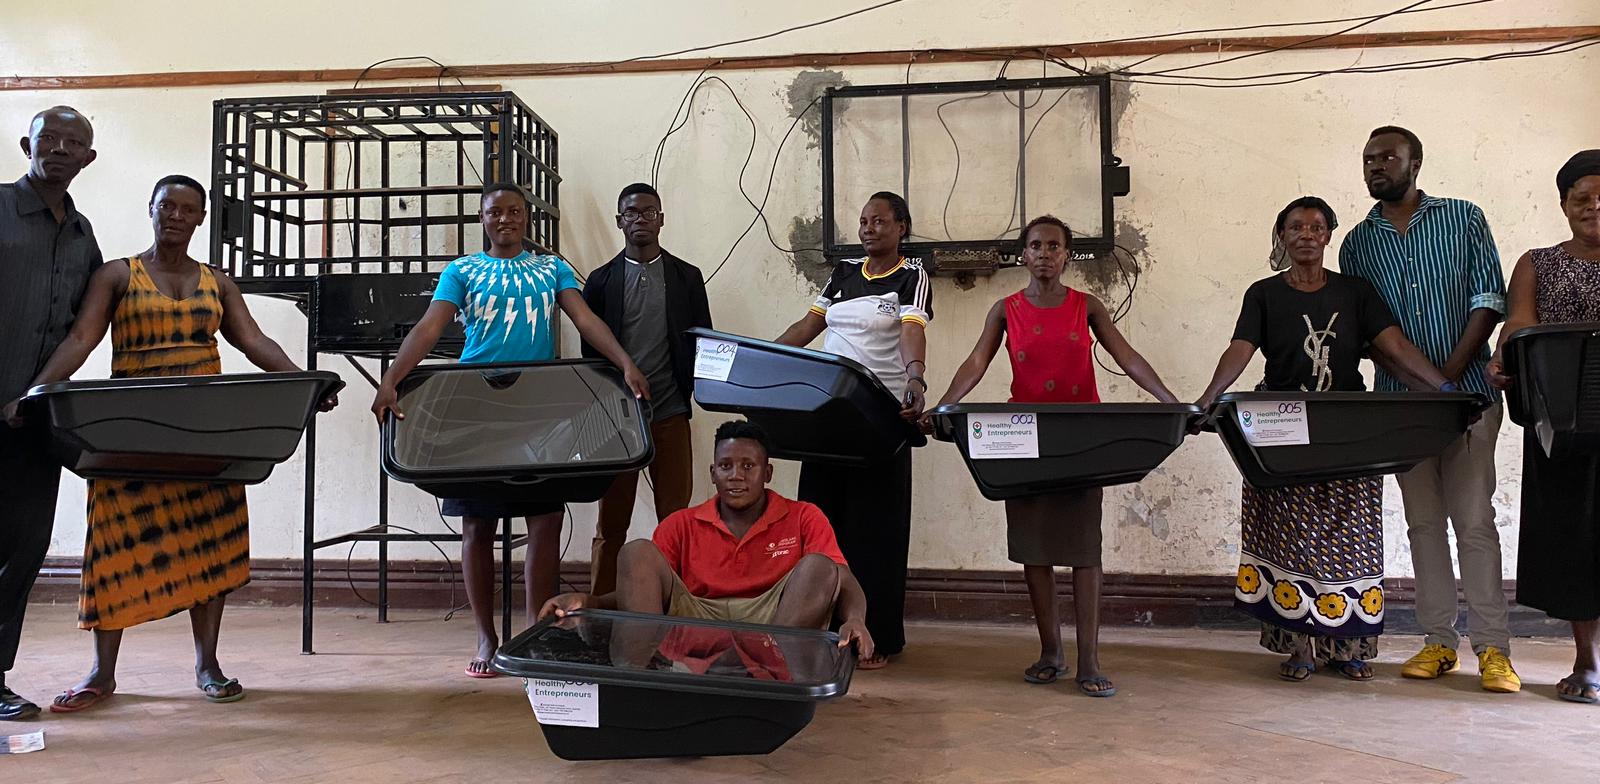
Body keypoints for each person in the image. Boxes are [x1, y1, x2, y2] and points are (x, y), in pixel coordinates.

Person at [9, 175, 337, 712]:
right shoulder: (117, 274)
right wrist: (34, 392)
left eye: (188, 209)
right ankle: (101, 673)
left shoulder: (217, 282)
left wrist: (306, 384)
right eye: (167, 206)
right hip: (130, 433)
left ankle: (208, 665)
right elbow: (80, 339)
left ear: (200, 218)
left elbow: (253, 341)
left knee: (210, 546)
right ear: (151, 210)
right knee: (117, 548)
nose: (176, 216)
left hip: (206, 434)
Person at [371, 182, 648, 679]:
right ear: (482, 219)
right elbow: (430, 327)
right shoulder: (462, 271)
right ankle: (486, 635)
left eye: (514, 211)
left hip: (535, 405)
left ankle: (533, 633)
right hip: (474, 406)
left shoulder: (550, 268)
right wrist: (391, 380)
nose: (506, 219)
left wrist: (625, 364)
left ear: (526, 218)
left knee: (545, 521)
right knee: (477, 525)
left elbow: (585, 320)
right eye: (495, 212)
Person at [1196, 196, 1454, 683]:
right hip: (1284, 429)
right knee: (1291, 536)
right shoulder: (1263, 294)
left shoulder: (1355, 292)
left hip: (1345, 427)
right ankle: (1299, 649)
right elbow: (1241, 348)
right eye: (1296, 227)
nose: (1306, 235)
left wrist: (1443, 389)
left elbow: (1393, 348)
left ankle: (1348, 646)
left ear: (1329, 235)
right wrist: (1210, 396)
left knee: (1349, 535)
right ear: (1282, 236)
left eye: (1316, 227)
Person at [926, 215, 1177, 697]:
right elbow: (977, 362)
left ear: (1066, 256)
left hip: (1082, 438)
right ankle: (1050, 652)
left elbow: (1126, 355)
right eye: (1036, 245)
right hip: (1025, 440)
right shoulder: (1005, 310)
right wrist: (943, 406)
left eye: (1054, 245)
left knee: (1085, 552)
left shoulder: (1089, 307)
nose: (1044, 252)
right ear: (1024, 255)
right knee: (1034, 551)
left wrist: (1171, 402)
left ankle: (1090, 660)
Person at [1338, 126, 1519, 692]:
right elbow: (1368, 334)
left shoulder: (1463, 217)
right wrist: (1419, 388)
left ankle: (1494, 649)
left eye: (1387, 157)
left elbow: (1489, 300)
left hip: (1468, 401)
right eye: (1368, 159)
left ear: (1416, 162)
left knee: (1474, 523)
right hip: (1400, 408)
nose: (1375, 167)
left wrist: (1446, 382)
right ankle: (1438, 642)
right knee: (1422, 525)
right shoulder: (1356, 245)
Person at [540, 420, 872, 658]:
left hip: (776, 625)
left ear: (767, 473)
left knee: (821, 565)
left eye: (748, 466)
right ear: (713, 473)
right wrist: (592, 602)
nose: (736, 476)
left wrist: (855, 618)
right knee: (636, 552)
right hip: (696, 619)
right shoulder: (681, 524)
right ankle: (632, 681)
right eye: (725, 466)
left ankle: (773, 677)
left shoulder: (803, 516)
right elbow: (641, 594)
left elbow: (842, 578)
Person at [774, 191, 930, 669]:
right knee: (820, 523)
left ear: (902, 227)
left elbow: (911, 330)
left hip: (878, 419)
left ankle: (875, 635)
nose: (868, 229)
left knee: (873, 531)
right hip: (824, 417)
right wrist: (757, 358)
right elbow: (807, 326)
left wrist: (916, 377)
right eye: (863, 221)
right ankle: (817, 631)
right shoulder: (842, 274)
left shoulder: (912, 276)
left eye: (880, 221)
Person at [1486, 150, 1600, 703]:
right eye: (1581, 198)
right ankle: (1588, 662)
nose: (1593, 206)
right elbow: (1521, 326)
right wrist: (1506, 355)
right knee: (1577, 542)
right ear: (1563, 205)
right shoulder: (1537, 263)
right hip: (1565, 426)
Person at [0, 106, 102, 721]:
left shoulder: (85, 235)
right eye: (49, 139)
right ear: (25, 145)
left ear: (88, 158)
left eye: (74, 143)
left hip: (32, 420)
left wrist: (33, 394)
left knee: (23, 546)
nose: (60, 149)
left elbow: (78, 333)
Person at [580, 183, 712, 596]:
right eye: (632, 213)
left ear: (661, 219)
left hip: (670, 414)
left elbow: (702, 340)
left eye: (648, 212)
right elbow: (592, 354)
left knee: (676, 520)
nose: (640, 219)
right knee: (611, 525)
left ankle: (676, 609)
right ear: (619, 221)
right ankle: (597, 614)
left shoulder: (687, 277)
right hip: (619, 420)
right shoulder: (601, 282)